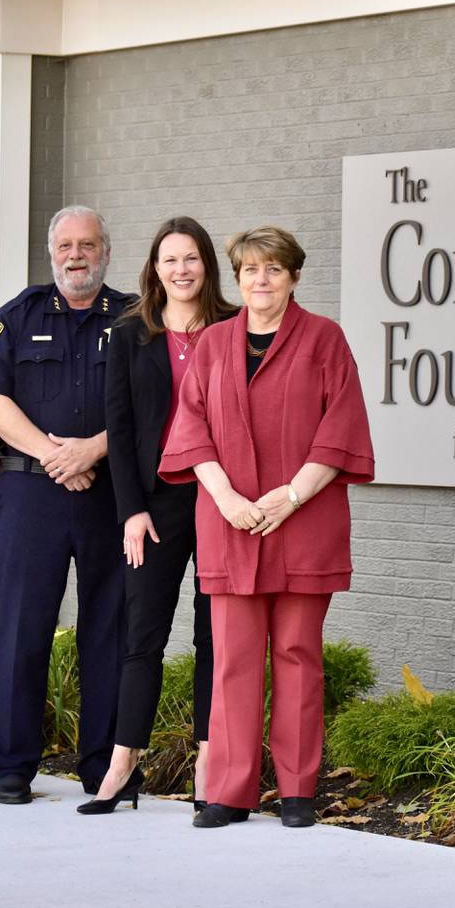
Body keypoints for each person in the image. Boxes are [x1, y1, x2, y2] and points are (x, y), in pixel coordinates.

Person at [159, 225, 375, 830]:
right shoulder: (214, 344)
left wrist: (292, 495)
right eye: (250, 270)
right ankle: (229, 791)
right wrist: (225, 496)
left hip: (304, 522)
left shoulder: (325, 341)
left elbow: (342, 427)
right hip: (229, 522)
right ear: (238, 279)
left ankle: (299, 789)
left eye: (274, 270)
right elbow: (191, 429)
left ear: (294, 277)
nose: (261, 281)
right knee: (231, 658)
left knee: (299, 655)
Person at [0, 204, 133, 805]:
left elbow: (156, 406)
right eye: (65, 245)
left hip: (110, 491)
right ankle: (11, 765)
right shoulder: (16, 316)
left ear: (106, 250)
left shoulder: (136, 318)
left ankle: (102, 768)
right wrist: (58, 457)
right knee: (19, 626)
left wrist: (93, 452)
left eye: (88, 244)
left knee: (108, 628)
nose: (76, 255)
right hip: (31, 492)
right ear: (51, 251)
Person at [81, 217, 236, 815]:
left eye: (191, 258)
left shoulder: (232, 327)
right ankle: (123, 766)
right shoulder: (129, 334)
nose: (181, 270)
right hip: (157, 501)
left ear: (206, 266)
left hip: (219, 495)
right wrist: (131, 512)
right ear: (154, 268)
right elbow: (119, 431)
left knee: (212, 637)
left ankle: (208, 766)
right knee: (142, 634)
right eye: (170, 259)